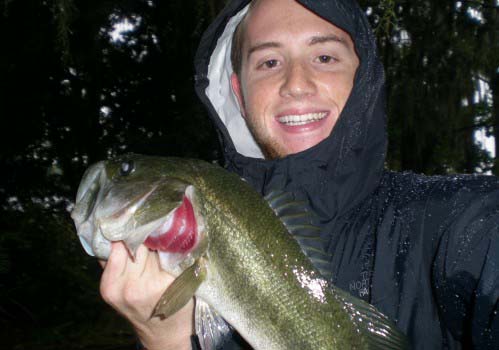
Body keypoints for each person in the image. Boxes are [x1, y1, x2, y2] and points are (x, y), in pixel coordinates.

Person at [99, 0, 499, 349]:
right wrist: (167, 340)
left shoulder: (459, 221)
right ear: (238, 92)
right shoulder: (196, 245)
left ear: (363, 78)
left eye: (324, 57)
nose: (295, 84)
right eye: (269, 62)